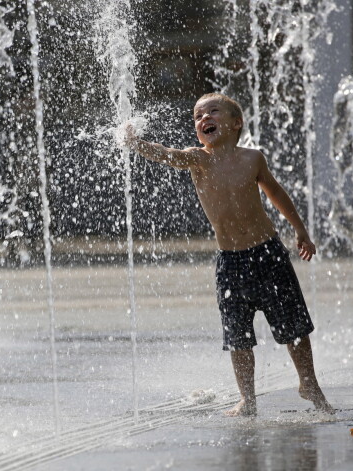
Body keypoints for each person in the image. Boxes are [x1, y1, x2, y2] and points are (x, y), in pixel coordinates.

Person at [124, 92, 334, 416]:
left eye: (213, 112)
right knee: (238, 336)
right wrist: (137, 143)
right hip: (230, 262)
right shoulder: (198, 159)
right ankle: (247, 399)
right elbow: (167, 154)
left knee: (294, 326)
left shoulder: (253, 159)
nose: (204, 118)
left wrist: (300, 231)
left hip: (269, 254)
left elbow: (276, 192)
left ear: (236, 123)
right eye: (198, 116)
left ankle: (309, 383)